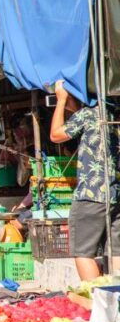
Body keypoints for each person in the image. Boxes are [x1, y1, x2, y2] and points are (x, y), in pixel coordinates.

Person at [50, 81, 120, 280]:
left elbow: (56, 135)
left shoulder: (89, 113)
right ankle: (116, 301)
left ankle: (95, 299)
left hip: (91, 193)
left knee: (83, 252)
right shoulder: (114, 114)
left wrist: (61, 100)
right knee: (115, 252)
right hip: (116, 194)